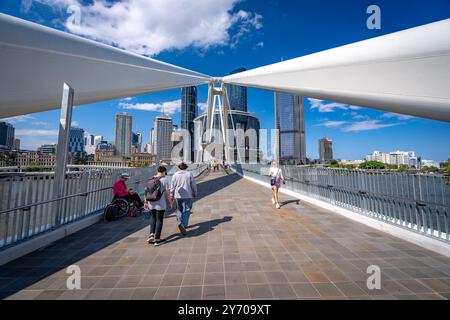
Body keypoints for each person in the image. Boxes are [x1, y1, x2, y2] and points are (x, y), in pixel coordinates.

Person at [145, 166, 173, 246]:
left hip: (151, 203)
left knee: (153, 218)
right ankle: (157, 239)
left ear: (157, 171)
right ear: (164, 172)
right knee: (159, 220)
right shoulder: (165, 180)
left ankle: (151, 235)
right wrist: (170, 202)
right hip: (160, 204)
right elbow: (167, 193)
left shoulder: (151, 179)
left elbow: (146, 191)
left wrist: (145, 202)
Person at [170, 162, 197, 236]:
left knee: (178, 209)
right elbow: (193, 184)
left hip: (177, 195)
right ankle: (184, 224)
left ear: (179, 167)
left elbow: (172, 185)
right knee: (187, 209)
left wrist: (171, 195)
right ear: (186, 167)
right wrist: (195, 192)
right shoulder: (189, 174)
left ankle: (179, 222)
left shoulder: (175, 174)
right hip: (188, 195)